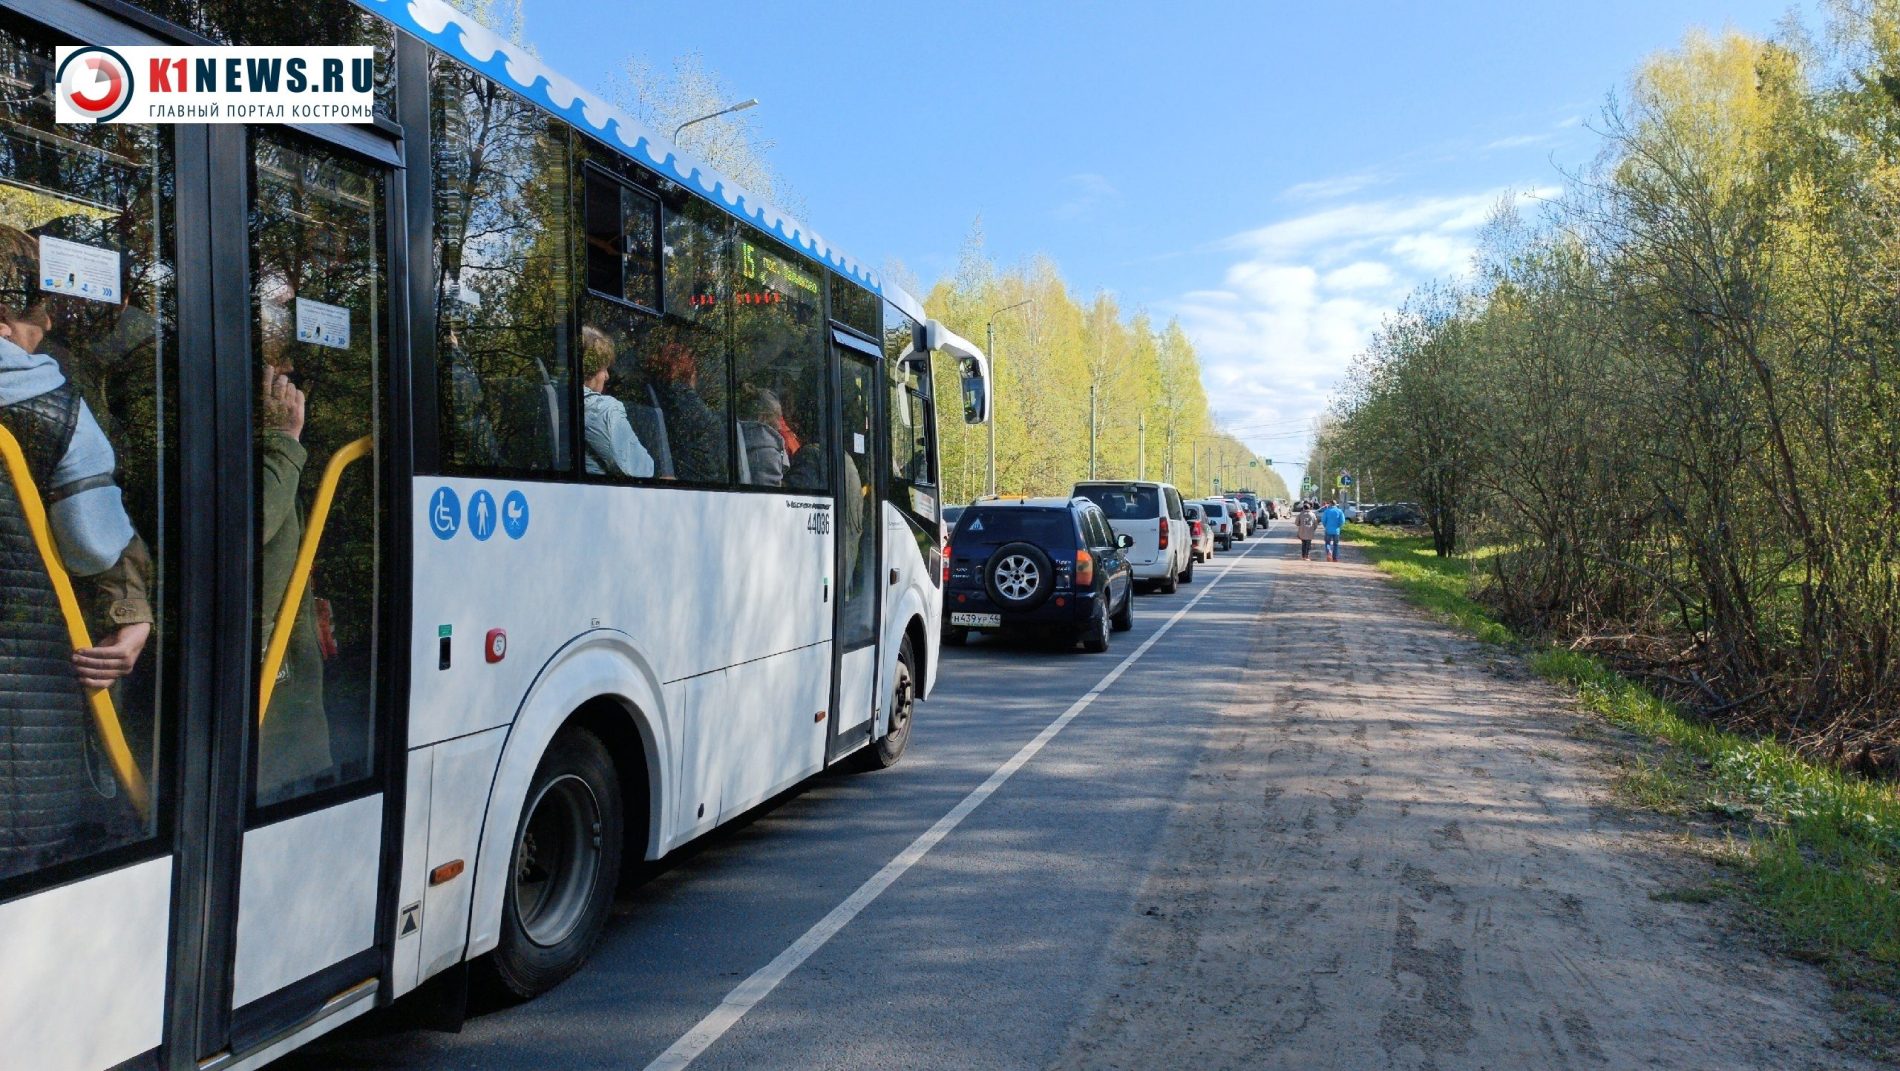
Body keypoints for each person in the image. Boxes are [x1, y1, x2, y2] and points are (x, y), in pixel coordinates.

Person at [0, 302, 154, 875]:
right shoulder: (49, 400)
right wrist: (132, 613)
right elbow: (94, 542)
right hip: (26, 688)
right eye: (43, 323)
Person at [257, 361, 331, 799]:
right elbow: (252, 522)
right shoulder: (270, 450)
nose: (287, 374)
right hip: (270, 680)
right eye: (276, 362)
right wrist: (282, 443)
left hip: (288, 669)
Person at [579, 325, 654, 479]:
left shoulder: (555, 399)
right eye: (604, 368)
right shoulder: (602, 410)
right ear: (590, 369)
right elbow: (641, 470)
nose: (607, 376)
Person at [739, 386, 790, 487]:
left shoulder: (737, 437)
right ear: (763, 417)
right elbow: (769, 497)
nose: (779, 425)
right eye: (776, 418)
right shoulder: (767, 452)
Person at [1320, 498, 1347, 562]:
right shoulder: (1339, 511)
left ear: (1330, 504)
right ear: (1335, 504)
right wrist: (1339, 526)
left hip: (1328, 530)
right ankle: (1335, 558)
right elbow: (1342, 521)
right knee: (1336, 544)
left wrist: (1325, 526)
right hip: (1336, 531)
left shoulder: (1327, 511)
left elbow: (1323, 520)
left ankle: (1329, 552)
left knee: (1327, 543)